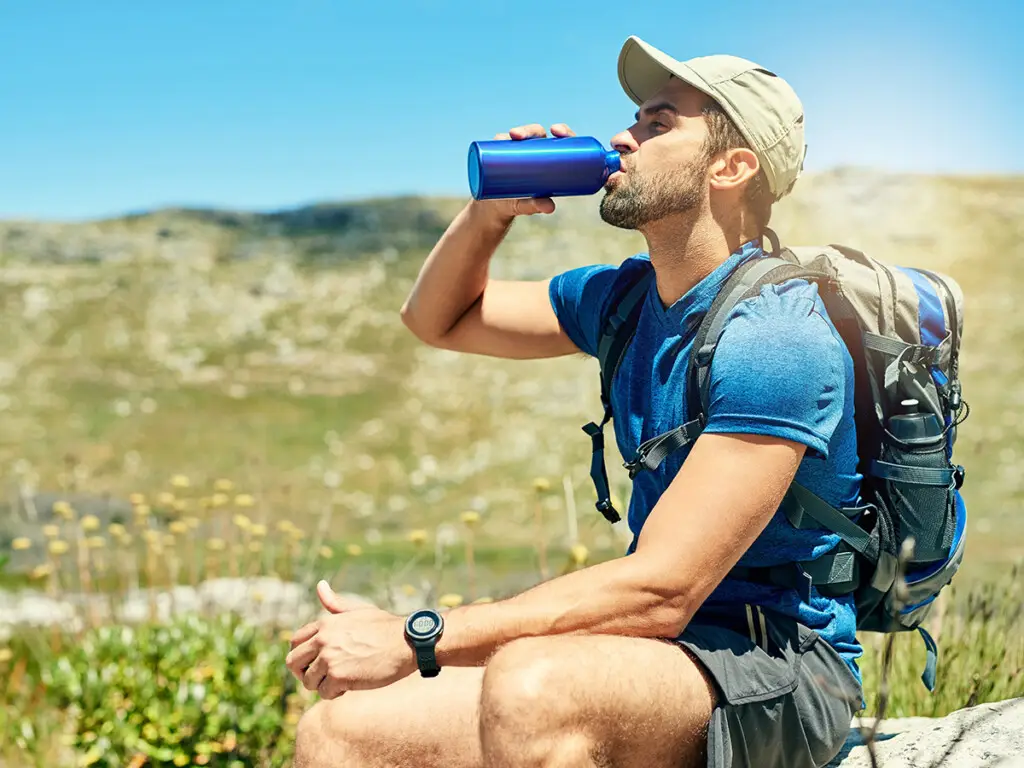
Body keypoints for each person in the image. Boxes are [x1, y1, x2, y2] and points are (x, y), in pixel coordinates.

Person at [286, 34, 864, 768]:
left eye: (658, 124)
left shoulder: (778, 337)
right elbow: (438, 319)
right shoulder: (622, 299)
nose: (623, 136)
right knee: (342, 731)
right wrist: (489, 213)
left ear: (732, 166)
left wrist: (415, 635)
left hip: (781, 667)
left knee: (533, 687)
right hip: (659, 655)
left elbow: (664, 590)